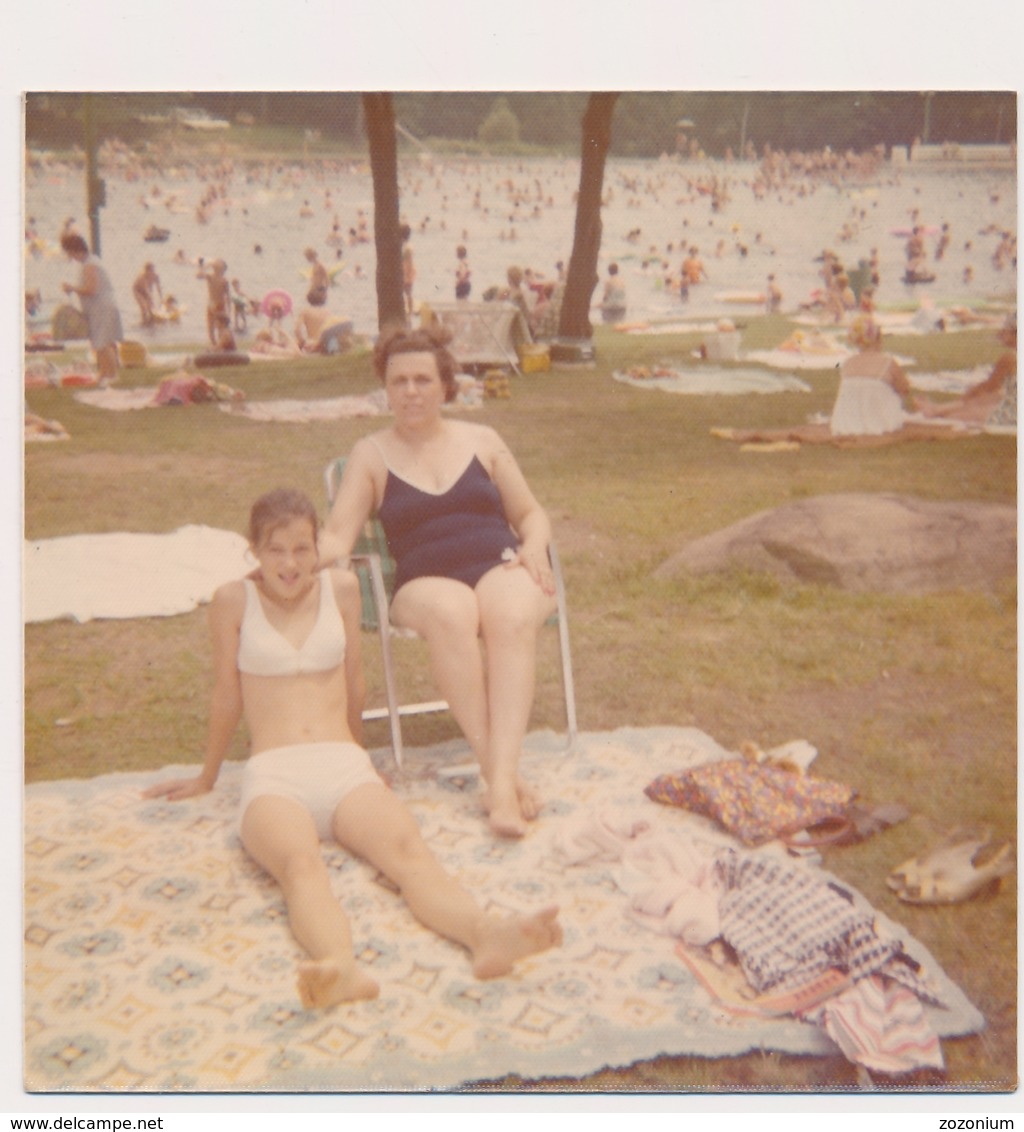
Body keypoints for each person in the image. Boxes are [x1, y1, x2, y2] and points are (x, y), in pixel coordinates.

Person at [142, 488, 561, 1009]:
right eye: (276, 550)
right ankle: (339, 966)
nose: (290, 564)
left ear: (317, 547)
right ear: (254, 550)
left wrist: (362, 760)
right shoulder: (232, 601)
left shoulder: (341, 589)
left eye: (301, 549)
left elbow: (356, 683)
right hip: (275, 777)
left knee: (410, 855)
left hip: (343, 768)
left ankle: (485, 936)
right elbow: (227, 695)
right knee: (300, 867)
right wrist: (207, 777)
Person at [320, 325, 558, 839]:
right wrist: (289, 559)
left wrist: (534, 546)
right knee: (452, 611)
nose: (411, 391)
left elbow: (530, 512)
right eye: (399, 380)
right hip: (423, 581)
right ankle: (501, 777)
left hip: (500, 562)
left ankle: (499, 780)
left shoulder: (483, 440)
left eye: (423, 380)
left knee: (512, 614)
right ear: (385, 387)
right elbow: (339, 536)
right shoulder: (371, 454)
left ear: (445, 385)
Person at [915, 313, 1016, 426]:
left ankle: (938, 410)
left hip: (1013, 413)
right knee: (987, 398)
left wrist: (969, 395)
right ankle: (938, 409)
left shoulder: (1010, 358)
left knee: (955, 416)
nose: (1000, 333)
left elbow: (989, 387)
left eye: (1004, 330)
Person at [830, 316, 914, 437]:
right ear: (878, 338)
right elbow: (904, 389)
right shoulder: (888, 362)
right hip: (883, 422)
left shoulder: (847, 363)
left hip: (844, 423)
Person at [60, 232, 124, 387]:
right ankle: (104, 372)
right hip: (98, 306)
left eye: (69, 252)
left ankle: (112, 374)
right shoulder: (88, 262)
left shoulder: (90, 264)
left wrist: (72, 288)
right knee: (99, 341)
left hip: (101, 306)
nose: (70, 256)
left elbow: (91, 289)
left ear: (74, 250)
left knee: (102, 342)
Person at [198, 258, 231, 346]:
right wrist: (206, 266)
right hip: (211, 304)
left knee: (221, 327)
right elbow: (198, 275)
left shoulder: (224, 280)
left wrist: (229, 310)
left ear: (222, 269)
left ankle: (221, 345)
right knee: (210, 328)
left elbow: (228, 296)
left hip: (220, 305)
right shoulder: (210, 277)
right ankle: (214, 345)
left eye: (219, 266)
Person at [132, 262, 162, 326]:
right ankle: (144, 321)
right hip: (138, 290)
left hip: (147, 290)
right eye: (148, 271)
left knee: (151, 308)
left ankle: (151, 322)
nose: (150, 273)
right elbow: (146, 289)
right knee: (144, 307)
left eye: (152, 270)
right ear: (146, 270)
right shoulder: (142, 277)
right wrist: (151, 299)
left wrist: (161, 298)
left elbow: (158, 288)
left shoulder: (156, 276)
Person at [401, 225, 416, 318]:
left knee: (408, 291)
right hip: (405, 269)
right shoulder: (405, 245)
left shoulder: (407, 247)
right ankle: (407, 311)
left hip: (407, 270)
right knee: (406, 292)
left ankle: (410, 312)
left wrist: (408, 273)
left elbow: (409, 261)